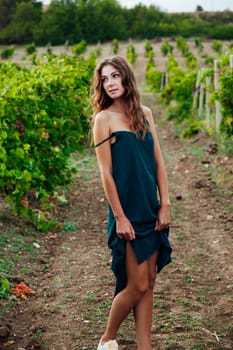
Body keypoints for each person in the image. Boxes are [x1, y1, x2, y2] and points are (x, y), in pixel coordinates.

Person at [91, 55, 172, 350]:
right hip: (126, 210)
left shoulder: (145, 114)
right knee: (136, 284)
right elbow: (106, 173)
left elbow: (159, 163)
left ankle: (144, 346)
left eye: (115, 76)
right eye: (105, 79)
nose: (110, 83)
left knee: (149, 280)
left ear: (126, 77)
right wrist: (119, 216)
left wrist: (165, 205)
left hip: (150, 206)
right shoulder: (103, 119)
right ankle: (107, 338)